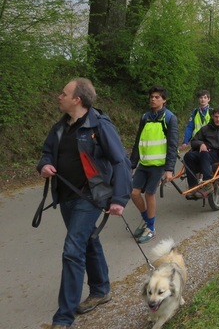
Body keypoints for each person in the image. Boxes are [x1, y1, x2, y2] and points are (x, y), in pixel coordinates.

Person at [37, 78, 132, 329]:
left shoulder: (99, 125)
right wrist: (44, 165)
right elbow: (47, 151)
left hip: (90, 197)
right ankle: (101, 289)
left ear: (77, 99)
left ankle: (63, 317)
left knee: (72, 250)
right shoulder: (60, 127)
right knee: (88, 239)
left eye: (64, 93)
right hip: (65, 197)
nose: (59, 96)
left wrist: (120, 199)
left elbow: (121, 161)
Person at [130, 85, 178, 244]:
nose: (153, 99)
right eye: (151, 97)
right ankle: (147, 220)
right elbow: (138, 141)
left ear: (164, 100)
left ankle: (151, 228)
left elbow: (172, 145)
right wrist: (132, 164)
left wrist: (169, 169)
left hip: (159, 165)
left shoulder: (170, 118)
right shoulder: (145, 117)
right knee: (134, 193)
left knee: (149, 194)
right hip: (144, 163)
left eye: (157, 97)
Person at [183, 107, 219, 199]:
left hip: (218, 154)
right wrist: (201, 144)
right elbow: (194, 141)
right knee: (188, 156)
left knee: (203, 154)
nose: (217, 119)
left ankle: (208, 184)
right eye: (216, 117)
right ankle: (193, 186)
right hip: (205, 153)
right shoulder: (205, 129)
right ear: (212, 117)